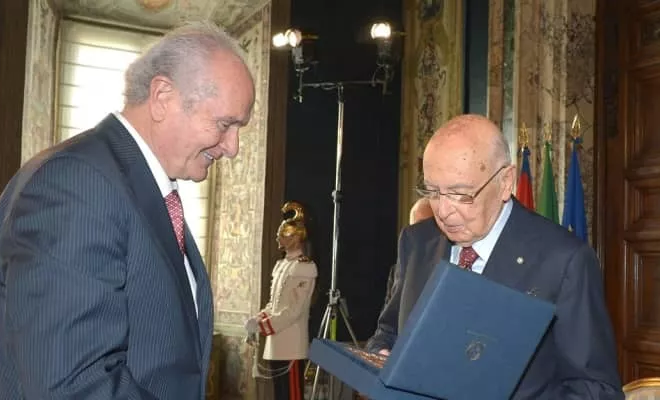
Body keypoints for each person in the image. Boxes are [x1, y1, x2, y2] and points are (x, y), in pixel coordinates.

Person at [0, 21, 255, 399]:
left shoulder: (135, 184)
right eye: (225, 124)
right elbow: (72, 386)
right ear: (162, 97)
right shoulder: (79, 184)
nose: (233, 147)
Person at [365, 114, 623, 398]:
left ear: (505, 182)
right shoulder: (416, 242)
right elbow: (388, 331)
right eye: (433, 192)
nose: (443, 211)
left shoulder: (563, 261)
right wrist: (380, 354)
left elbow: (596, 390)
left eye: (461, 194)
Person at [249, 201, 318, 400]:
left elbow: (294, 311)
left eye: (283, 234)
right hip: (276, 344)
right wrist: (257, 319)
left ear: (296, 238)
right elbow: (274, 304)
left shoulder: (305, 267)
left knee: (291, 396)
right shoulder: (281, 265)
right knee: (280, 395)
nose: (278, 238)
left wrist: (263, 326)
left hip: (291, 345)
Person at [382, 197, 434, 305]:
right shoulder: (397, 271)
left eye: (426, 227)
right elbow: (390, 312)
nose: (421, 233)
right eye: (416, 228)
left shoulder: (451, 264)